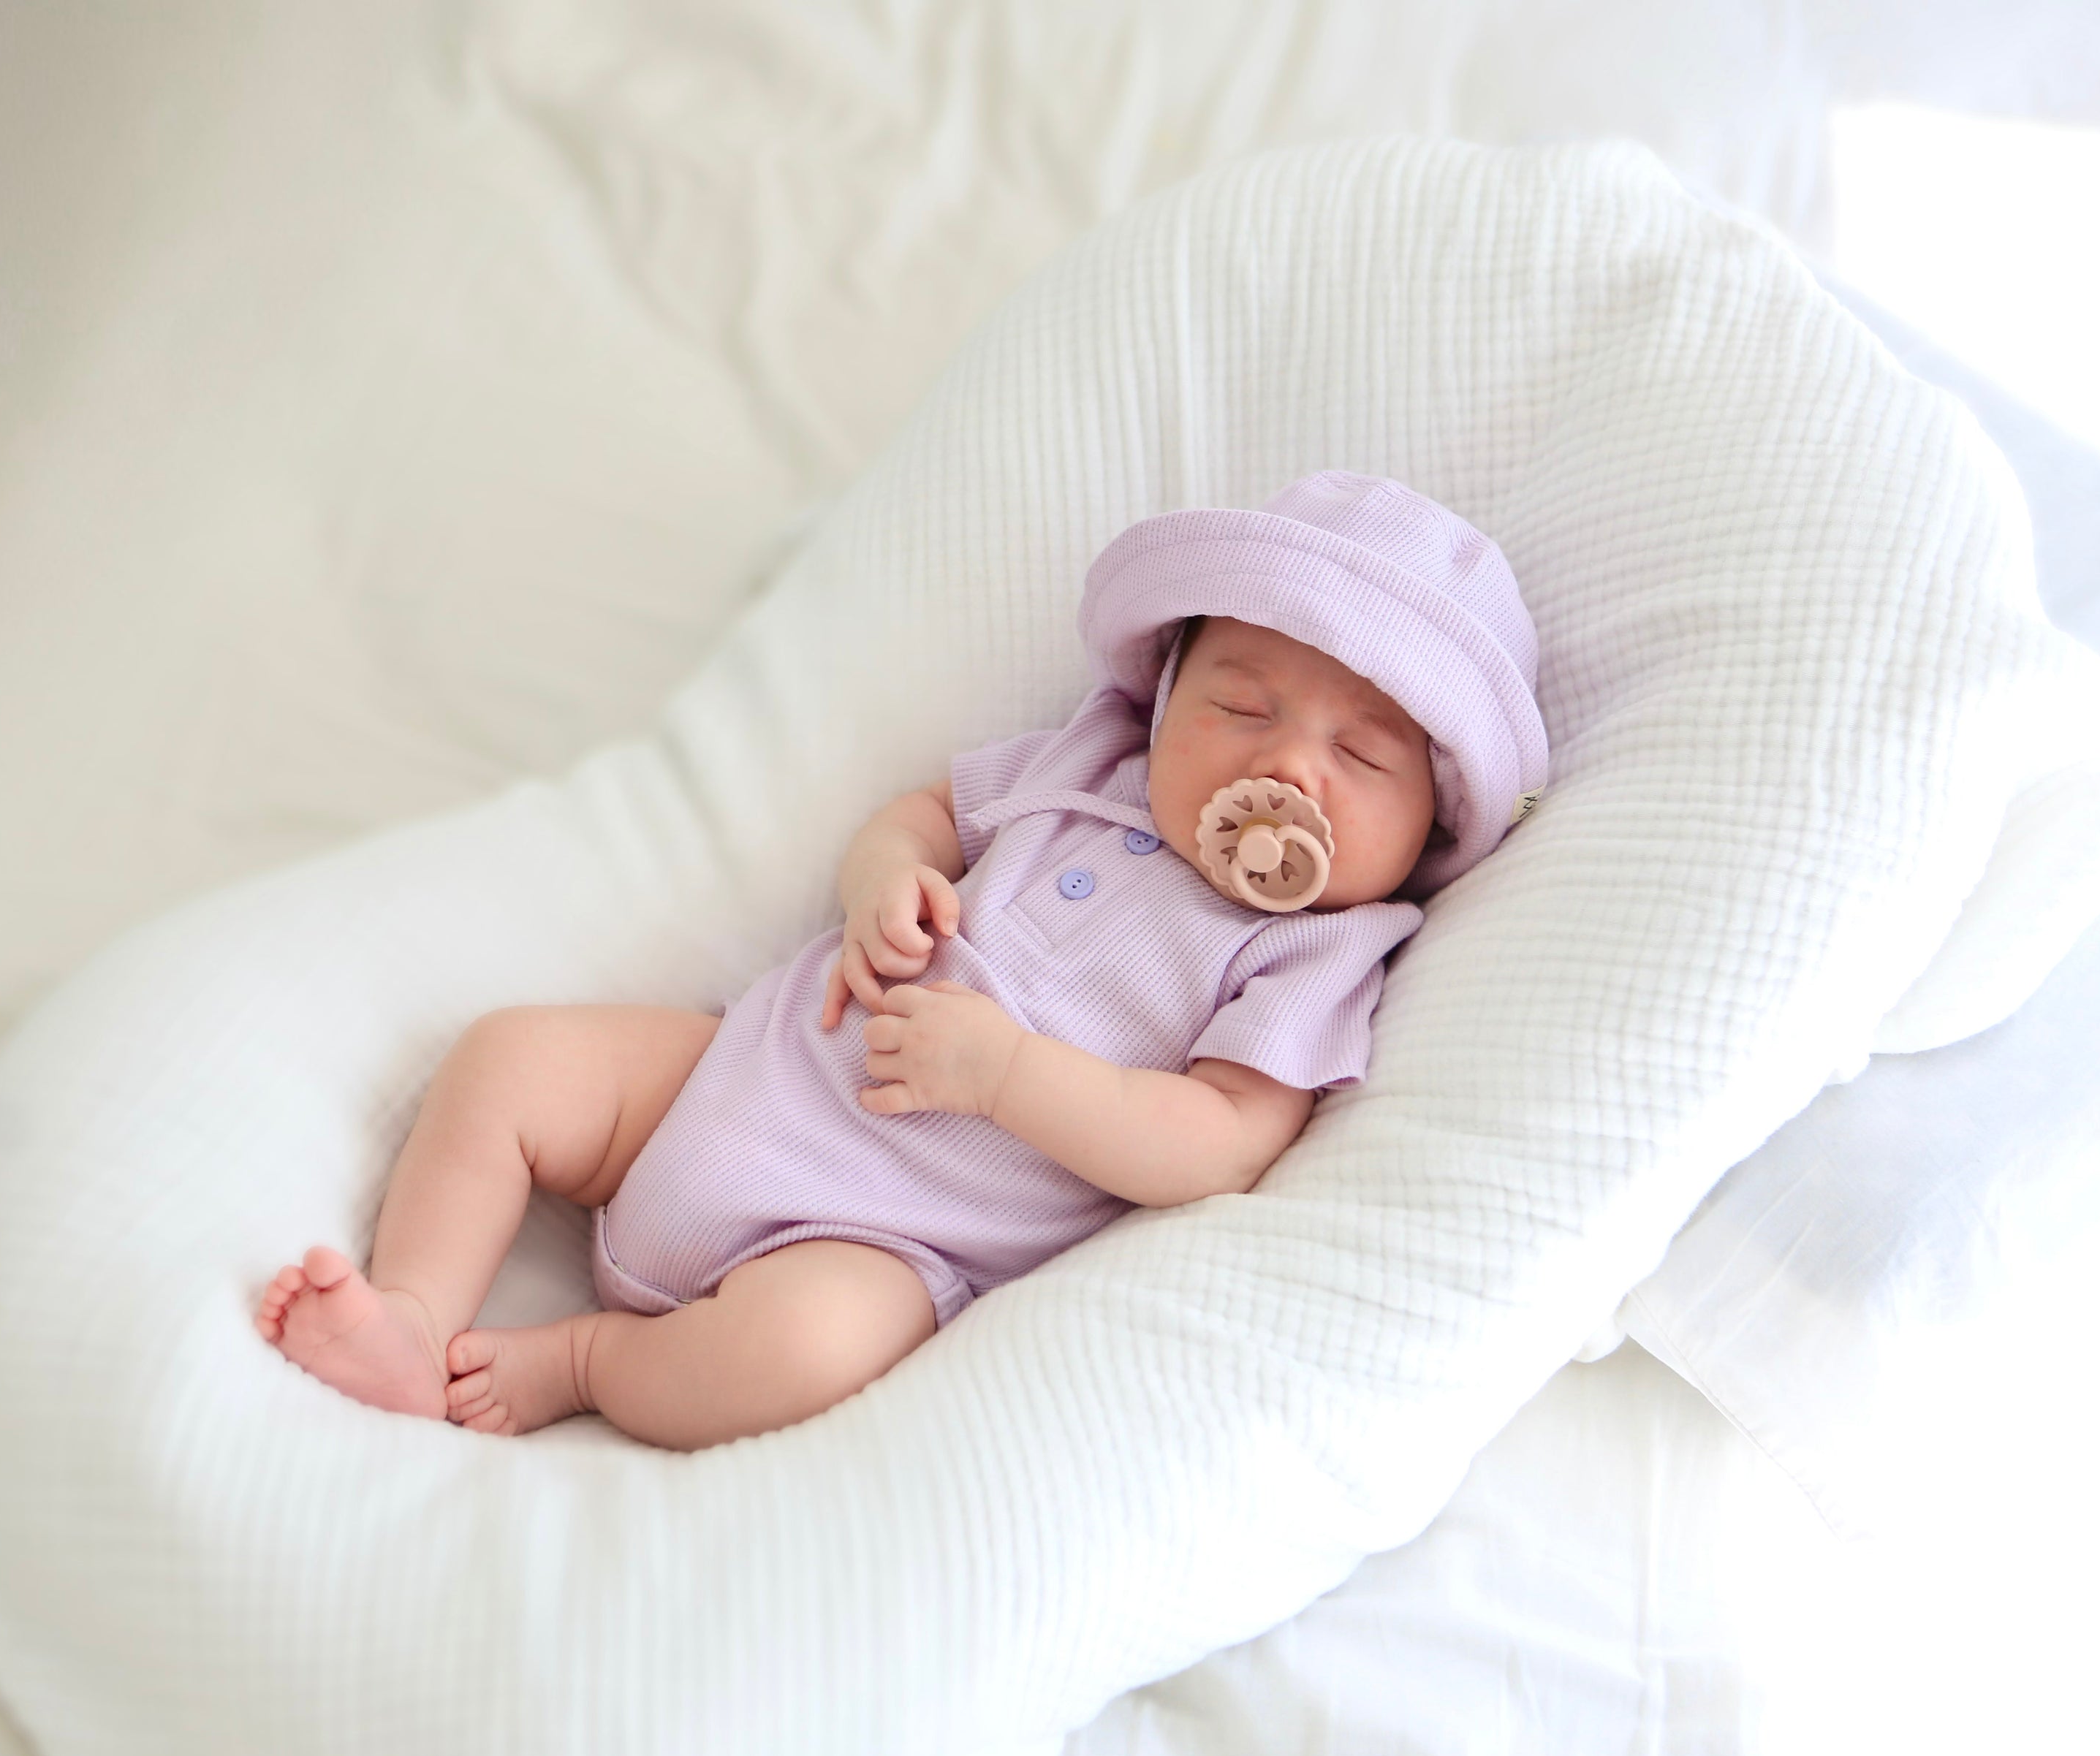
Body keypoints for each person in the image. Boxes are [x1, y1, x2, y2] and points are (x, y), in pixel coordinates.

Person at [255, 470, 1549, 1450]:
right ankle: (416, 1317)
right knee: (514, 1060)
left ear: (1432, 817)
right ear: (1163, 701)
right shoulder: (1088, 769)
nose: (1283, 767)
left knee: (807, 1353)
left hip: (878, 1236)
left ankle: (582, 1365)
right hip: (741, 1070)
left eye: (1362, 756)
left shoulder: (1320, 949)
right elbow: (919, 815)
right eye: (1242, 703)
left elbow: (1217, 1143)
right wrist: (891, 881)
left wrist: (1007, 1077)